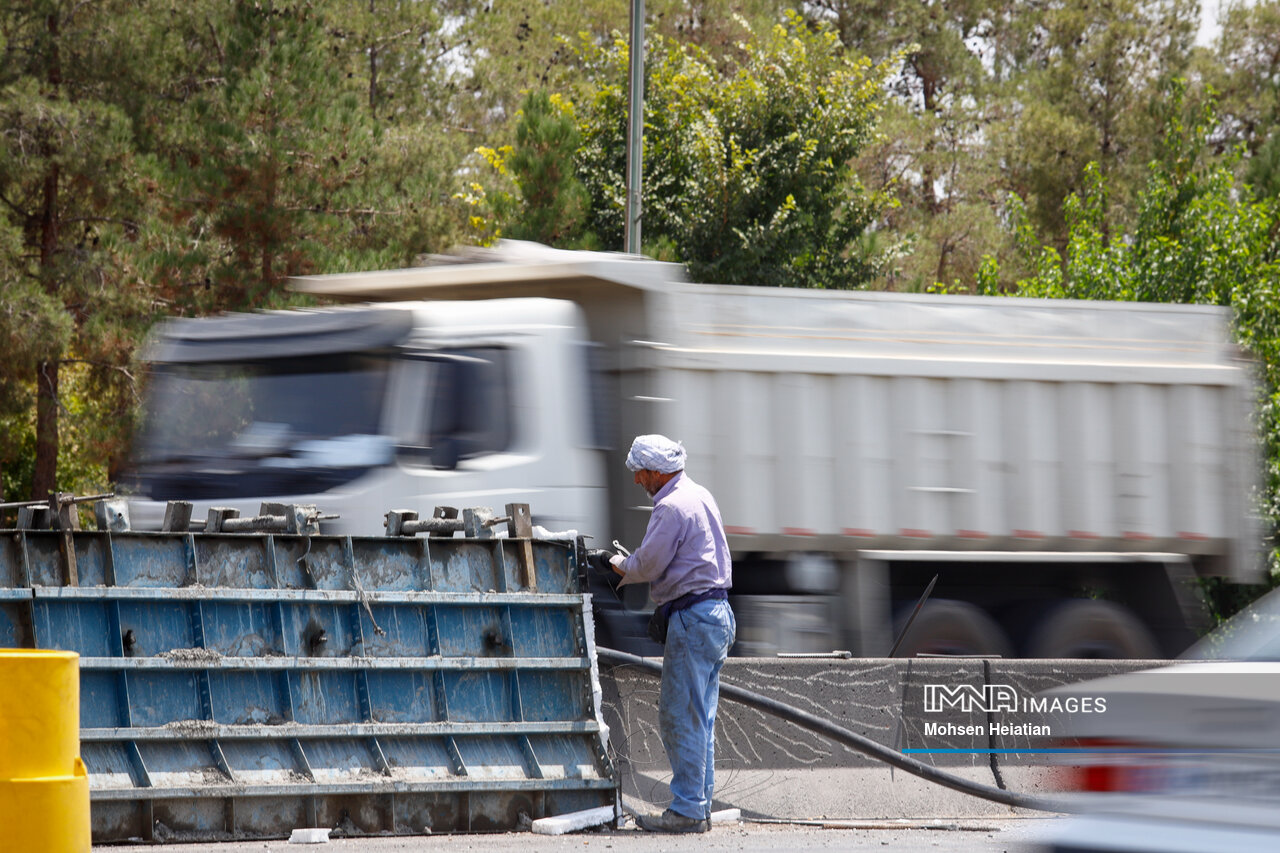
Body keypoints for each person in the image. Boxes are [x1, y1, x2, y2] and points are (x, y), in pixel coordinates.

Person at [596, 434, 735, 833]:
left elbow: (649, 564)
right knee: (700, 717)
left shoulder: (671, 506)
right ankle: (698, 806)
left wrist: (617, 562)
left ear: (656, 471)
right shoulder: (699, 494)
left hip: (695, 619)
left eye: (640, 473)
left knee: (679, 716)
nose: (637, 481)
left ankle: (688, 811)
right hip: (715, 613)